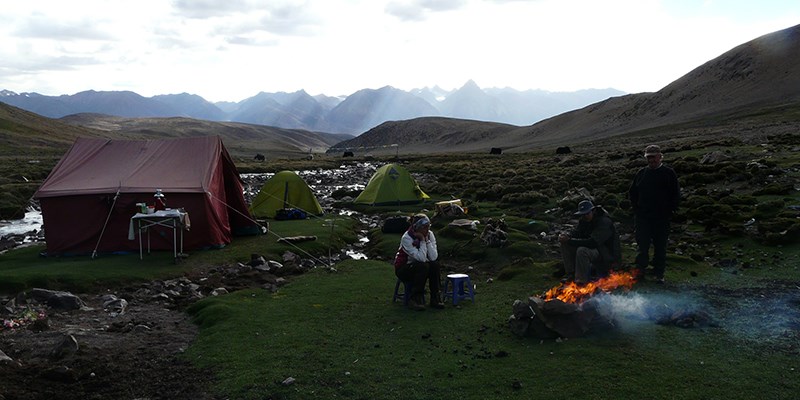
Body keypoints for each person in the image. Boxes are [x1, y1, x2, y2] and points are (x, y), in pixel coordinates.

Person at [628, 144, 680, 284]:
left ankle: (659, 273)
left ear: (660, 157)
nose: (651, 160)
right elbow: (632, 193)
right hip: (643, 217)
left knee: (660, 246)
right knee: (642, 246)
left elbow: (675, 194)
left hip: (661, 218)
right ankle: (640, 272)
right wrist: (636, 210)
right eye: (648, 157)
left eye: (653, 157)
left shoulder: (668, 173)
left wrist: (670, 211)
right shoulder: (641, 173)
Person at [558, 200, 621, 285]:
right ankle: (571, 274)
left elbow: (593, 242)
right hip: (595, 249)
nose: (585, 216)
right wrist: (567, 236)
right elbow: (577, 232)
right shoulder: (584, 220)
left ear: (593, 211)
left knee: (582, 250)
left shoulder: (604, 222)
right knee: (565, 244)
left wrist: (570, 241)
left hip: (606, 254)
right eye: (583, 214)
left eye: (587, 214)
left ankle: (581, 281)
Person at [393, 214, 445, 310]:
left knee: (434, 265)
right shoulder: (407, 238)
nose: (427, 230)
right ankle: (416, 298)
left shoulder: (430, 235)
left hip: (420, 265)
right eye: (424, 227)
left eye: (428, 227)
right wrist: (422, 240)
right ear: (417, 227)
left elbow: (433, 257)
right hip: (404, 268)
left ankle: (435, 297)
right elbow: (420, 258)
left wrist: (426, 241)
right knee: (422, 266)